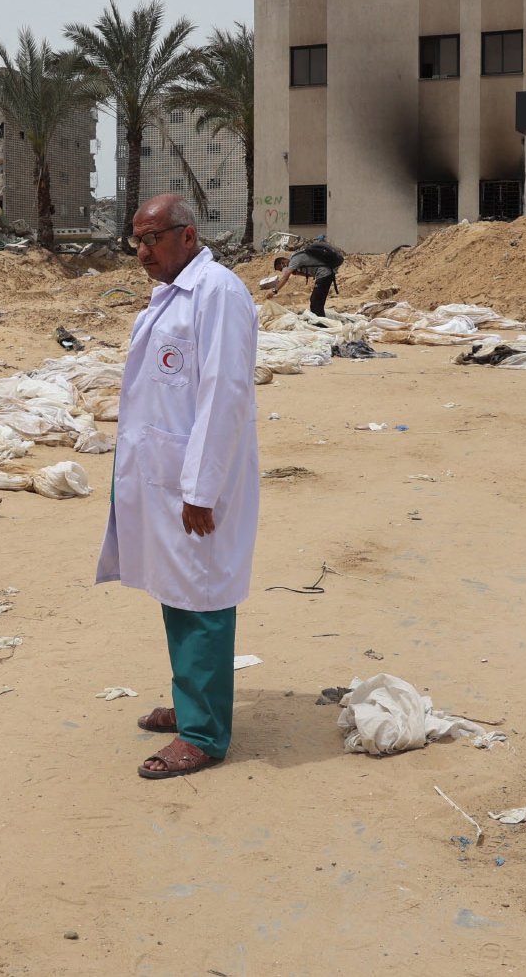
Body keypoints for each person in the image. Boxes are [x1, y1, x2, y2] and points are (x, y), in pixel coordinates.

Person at [96, 194, 260, 780]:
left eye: (152, 239)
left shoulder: (217, 293)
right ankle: (193, 701)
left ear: (186, 236)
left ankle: (205, 734)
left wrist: (200, 488)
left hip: (196, 480)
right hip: (165, 474)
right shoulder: (171, 294)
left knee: (204, 596)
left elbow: (224, 395)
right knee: (177, 588)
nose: (141, 252)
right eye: (136, 240)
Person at [265, 239, 343, 317]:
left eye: (281, 268)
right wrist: (298, 273)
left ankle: (321, 323)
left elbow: (285, 277)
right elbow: (311, 274)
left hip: (324, 274)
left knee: (316, 301)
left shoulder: (294, 259)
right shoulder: (297, 261)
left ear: (283, 262)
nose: (283, 270)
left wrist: (274, 291)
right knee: (316, 301)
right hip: (325, 274)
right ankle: (320, 321)